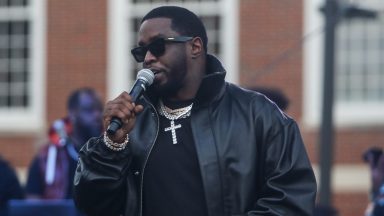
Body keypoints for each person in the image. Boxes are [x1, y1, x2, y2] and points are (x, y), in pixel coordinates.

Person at [73, 6, 317, 216]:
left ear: (195, 47)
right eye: (141, 51)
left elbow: (290, 201)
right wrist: (111, 146)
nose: (147, 58)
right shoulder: (132, 124)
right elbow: (92, 205)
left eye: (158, 46)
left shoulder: (258, 115)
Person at [25, 87, 103, 200]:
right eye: (89, 110)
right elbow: (32, 207)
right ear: (72, 113)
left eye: (100, 109)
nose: (97, 115)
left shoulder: (108, 154)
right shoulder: (46, 157)